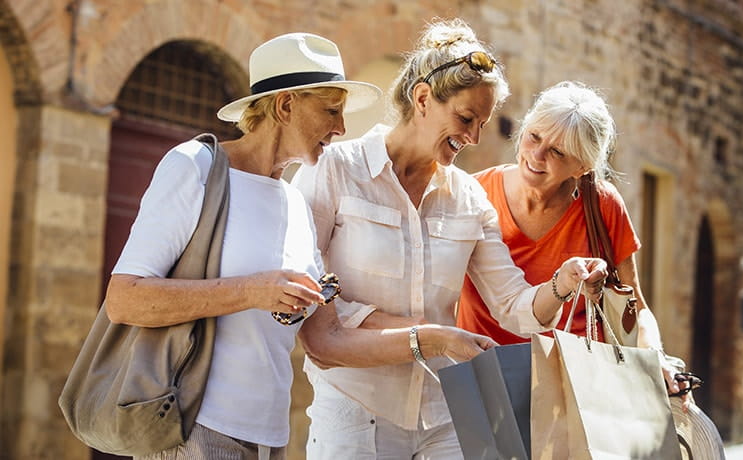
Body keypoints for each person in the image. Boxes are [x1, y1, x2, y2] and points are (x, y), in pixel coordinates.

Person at [105, 32, 496, 460]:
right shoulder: (195, 166)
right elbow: (125, 300)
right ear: (285, 105)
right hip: (195, 425)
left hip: (268, 437)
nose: (341, 127)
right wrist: (251, 291)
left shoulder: (294, 202)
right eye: (330, 110)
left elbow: (327, 340)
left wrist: (432, 339)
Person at [292, 20, 608, 459]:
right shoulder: (334, 170)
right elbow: (309, 304)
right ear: (423, 98)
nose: (474, 137)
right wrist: (426, 334)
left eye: (482, 124)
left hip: (444, 416)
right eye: (465, 118)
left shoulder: (470, 198)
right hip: (355, 412)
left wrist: (563, 282)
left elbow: (514, 307)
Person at [456, 80, 686, 396]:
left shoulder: (602, 205)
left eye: (557, 151)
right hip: (486, 382)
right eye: (534, 136)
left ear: (582, 166)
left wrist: (656, 357)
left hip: (575, 391)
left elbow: (636, 307)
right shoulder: (474, 194)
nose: (536, 155)